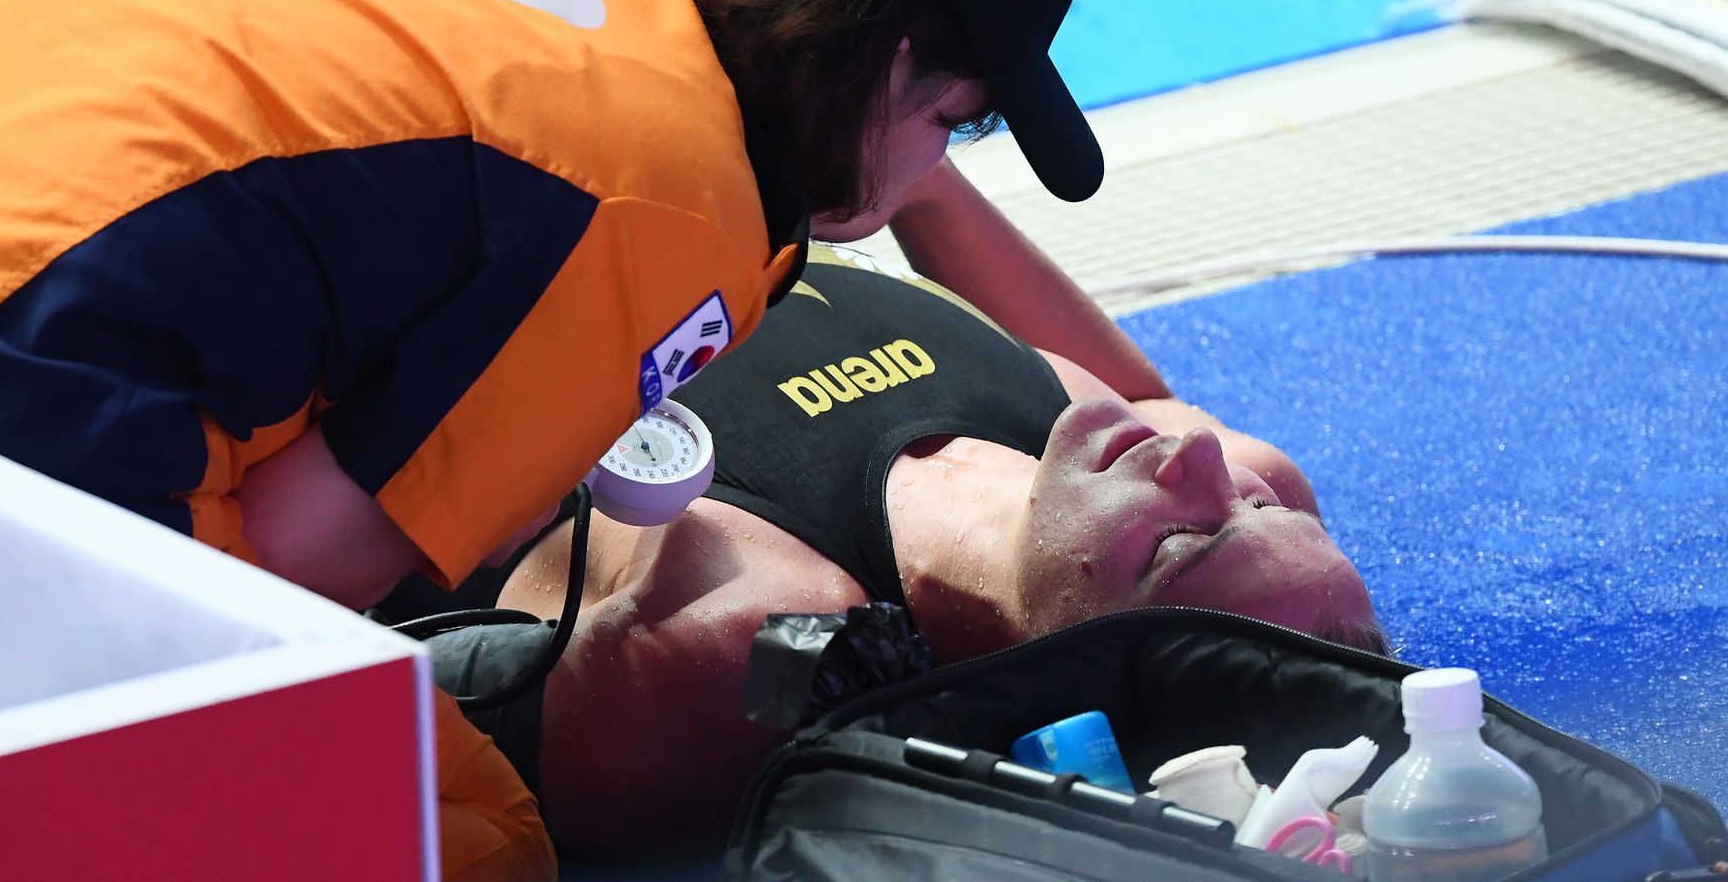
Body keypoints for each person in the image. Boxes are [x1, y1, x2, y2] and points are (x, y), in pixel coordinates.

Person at [5, 0, 1104, 612]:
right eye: (961, 122)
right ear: (899, 64)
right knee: (454, 801)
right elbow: (292, 577)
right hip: (25, 391)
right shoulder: (680, 202)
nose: (936, 161)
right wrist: (485, 484)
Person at [393, 160, 1384, 862]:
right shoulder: (1123, 458)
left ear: (1085, 659)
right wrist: (911, 175)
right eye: (1259, 506)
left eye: (1181, 540)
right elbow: (1145, 396)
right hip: (651, 162)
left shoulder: (760, 633)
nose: (1203, 462)